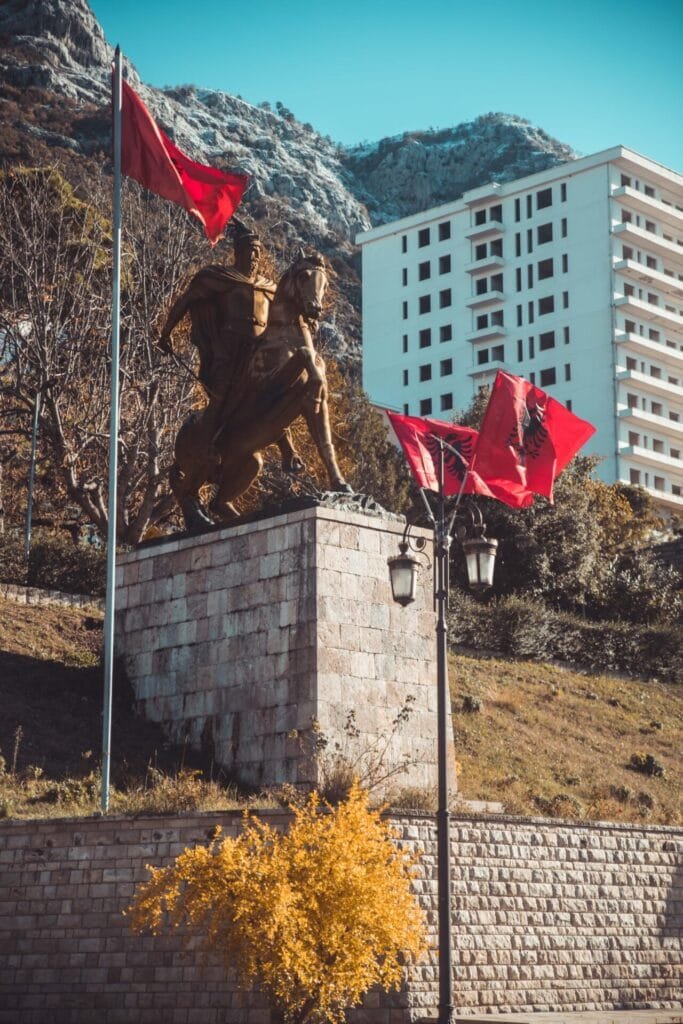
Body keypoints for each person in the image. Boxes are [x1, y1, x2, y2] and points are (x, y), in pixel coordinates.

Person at [158, 219, 276, 418]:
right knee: (221, 399)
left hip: (260, 352)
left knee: (274, 398)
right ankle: (207, 438)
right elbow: (186, 300)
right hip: (230, 350)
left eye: (258, 251)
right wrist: (166, 333)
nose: (255, 256)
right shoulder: (221, 277)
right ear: (238, 252)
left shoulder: (269, 287)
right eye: (251, 250)